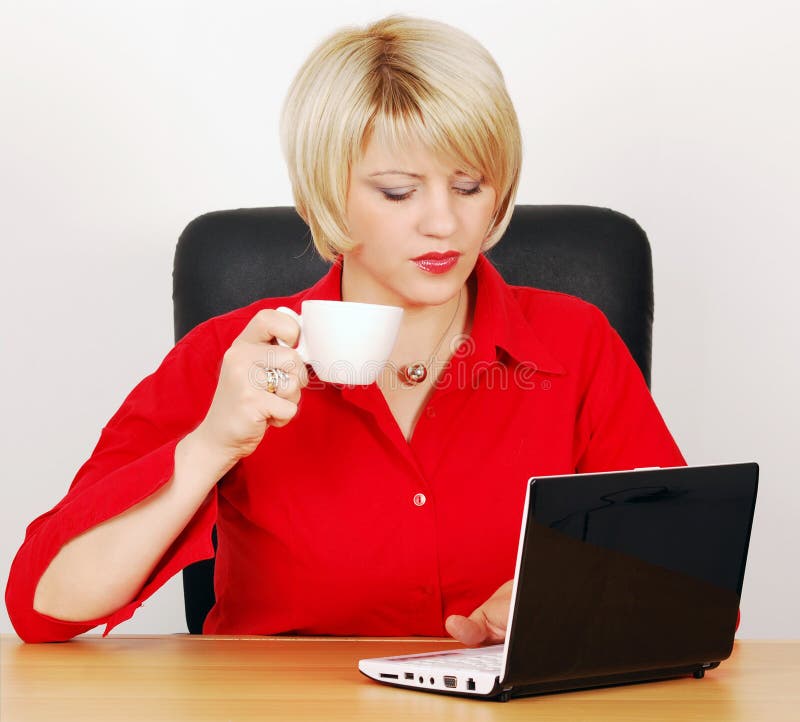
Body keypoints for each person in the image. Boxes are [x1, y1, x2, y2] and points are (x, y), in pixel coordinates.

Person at [5, 14, 685, 644]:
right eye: (398, 191)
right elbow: (43, 605)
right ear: (325, 193)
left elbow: (689, 582)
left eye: (470, 186)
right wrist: (211, 443)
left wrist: (578, 601)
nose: (444, 223)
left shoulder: (575, 341)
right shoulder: (233, 355)